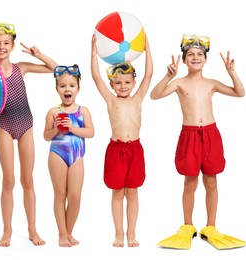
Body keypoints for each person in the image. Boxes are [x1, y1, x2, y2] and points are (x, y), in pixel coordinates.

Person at [150, 34, 246, 249]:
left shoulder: (211, 83)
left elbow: (240, 93)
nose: (195, 57)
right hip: (190, 136)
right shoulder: (178, 83)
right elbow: (154, 95)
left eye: (200, 54)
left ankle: (210, 227)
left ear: (205, 59)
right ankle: (188, 226)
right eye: (191, 55)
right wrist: (168, 76)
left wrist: (232, 72)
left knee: (211, 181)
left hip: (211, 135)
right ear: (184, 60)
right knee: (190, 182)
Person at [0, 22, 58, 247]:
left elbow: (57, 69)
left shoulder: (20, 68)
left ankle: (32, 229)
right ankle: (7, 231)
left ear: (12, 46)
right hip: (5, 126)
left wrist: (39, 54)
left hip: (26, 126)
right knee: (9, 180)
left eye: (6, 43)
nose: (2, 47)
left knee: (28, 180)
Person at [91, 34, 153, 247]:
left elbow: (149, 75)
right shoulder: (111, 100)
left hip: (135, 149)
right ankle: (119, 233)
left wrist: (147, 49)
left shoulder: (137, 98)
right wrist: (93, 53)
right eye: (118, 83)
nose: (123, 86)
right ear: (113, 84)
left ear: (134, 82)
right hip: (116, 150)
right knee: (117, 192)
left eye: (127, 82)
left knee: (133, 191)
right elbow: (97, 78)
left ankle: (132, 232)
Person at [43, 65, 94, 247]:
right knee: (60, 194)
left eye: (71, 85)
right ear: (57, 89)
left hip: (77, 156)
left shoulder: (83, 111)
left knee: (75, 196)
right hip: (57, 153)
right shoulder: (53, 112)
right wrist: (56, 128)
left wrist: (72, 128)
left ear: (78, 89)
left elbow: (91, 132)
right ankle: (62, 234)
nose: (67, 89)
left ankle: (69, 231)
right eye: (63, 86)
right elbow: (46, 136)